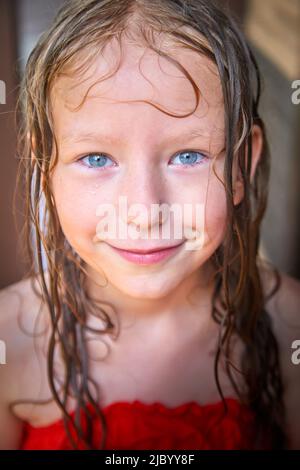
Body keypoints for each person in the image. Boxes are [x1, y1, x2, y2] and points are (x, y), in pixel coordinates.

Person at [0, 0, 299, 450]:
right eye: (96, 158)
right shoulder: (10, 341)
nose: (143, 210)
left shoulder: (290, 329)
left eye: (188, 155)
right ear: (46, 165)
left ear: (243, 165)